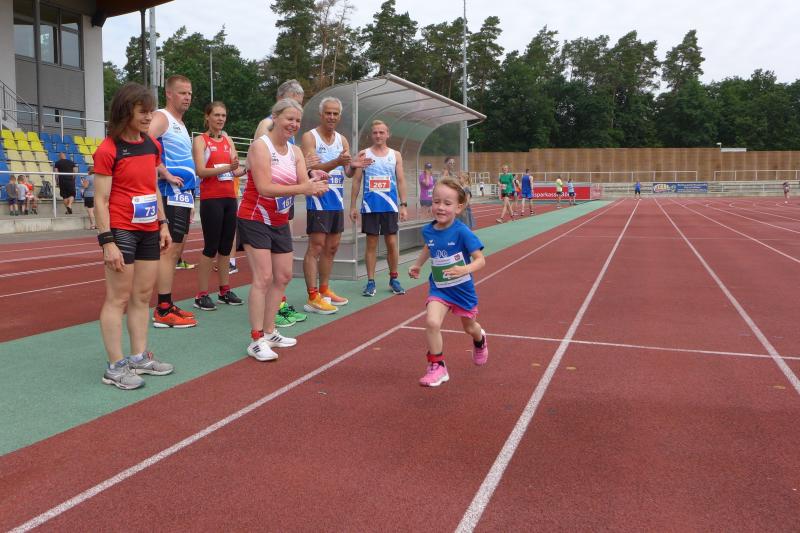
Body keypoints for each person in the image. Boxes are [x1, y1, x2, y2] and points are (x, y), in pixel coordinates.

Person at [93, 82, 174, 390]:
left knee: (142, 296)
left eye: (151, 111)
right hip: (121, 230)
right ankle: (115, 367)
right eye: (143, 112)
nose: (148, 117)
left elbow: (152, 187)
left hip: (149, 229)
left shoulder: (151, 145)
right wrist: (107, 242)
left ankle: (139, 357)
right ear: (126, 112)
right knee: (118, 298)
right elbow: (100, 199)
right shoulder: (108, 149)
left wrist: (163, 223)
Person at [239, 98, 328, 361]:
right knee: (263, 278)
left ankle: (269, 331)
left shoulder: (296, 151)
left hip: (278, 220)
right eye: (289, 118)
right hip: (255, 217)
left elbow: (302, 181)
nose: (294, 124)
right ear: (275, 117)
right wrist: (305, 188)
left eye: (298, 120)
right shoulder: (260, 147)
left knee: (284, 276)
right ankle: (256, 339)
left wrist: (314, 180)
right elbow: (264, 187)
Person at [408, 177, 487, 387]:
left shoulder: (462, 232)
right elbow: (430, 246)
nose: (440, 207)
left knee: (470, 328)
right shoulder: (428, 230)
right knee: (432, 322)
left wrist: (464, 269)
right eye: (436, 202)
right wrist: (418, 265)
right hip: (439, 288)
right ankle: (438, 366)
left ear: (459, 208)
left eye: (447, 203)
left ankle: (480, 340)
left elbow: (480, 260)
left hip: (462, 290)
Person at [301, 96, 370, 315]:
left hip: (336, 201)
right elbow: (310, 169)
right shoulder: (310, 137)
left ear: (339, 116)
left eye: (335, 114)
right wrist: (337, 162)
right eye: (328, 113)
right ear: (321, 115)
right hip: (318, 199)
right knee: (316, 247)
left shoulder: (343, 140)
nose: (331, 117)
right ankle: (312, 296)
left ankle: (324, 290)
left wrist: (354, 166)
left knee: (332, 248)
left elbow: (347, 172)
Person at [253, 79, 308, 325]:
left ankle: (277, 308)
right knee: (266, 273)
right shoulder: (266, 126)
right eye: (292, 104)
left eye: (299, 107)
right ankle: (269, 318)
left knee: (282, 269)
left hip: (284, 200)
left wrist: (309, 171)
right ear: (279, 102)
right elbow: (261, 161)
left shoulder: (290, 135)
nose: (296, 114)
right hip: (263, 205)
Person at [149, 74, 198, 328]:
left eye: (189, 93)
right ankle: (163, 308)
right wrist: (164, 172)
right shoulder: (162, 117)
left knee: (176, 251)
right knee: (169, 251)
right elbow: (143, 143)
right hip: (169, 193)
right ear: (169, 93)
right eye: (182, 93)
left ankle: (167, 303)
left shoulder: (180, 123)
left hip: (183, 195)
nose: (187, 97)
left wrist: (191, 198)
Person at [192, 101, 248, 312]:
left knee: (226, 247)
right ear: (207, 117)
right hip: (211, 200)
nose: (220, 119)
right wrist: (227, 168)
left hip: (229, 198)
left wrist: (247, 169)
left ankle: (224, 290)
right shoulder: (201, 141)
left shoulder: (228, 140)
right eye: (216, 115)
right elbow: (200, 171)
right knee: (211, 247)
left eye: (223, 115)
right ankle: (201, 294)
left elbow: (234, 170)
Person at [349, 120, 409, 297]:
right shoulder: (364, 154)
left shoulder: (395, 155)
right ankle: (370, 282)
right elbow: (356, 181)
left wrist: (403, 205)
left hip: (390, 207)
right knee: (371, 244)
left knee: (391, 243)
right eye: (375, 132)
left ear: (388, 134)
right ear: (371, 135)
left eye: (381, 132)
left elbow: (401, 180)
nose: (378, 135)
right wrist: (352, 205)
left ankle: (394, 279)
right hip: (370, 207)